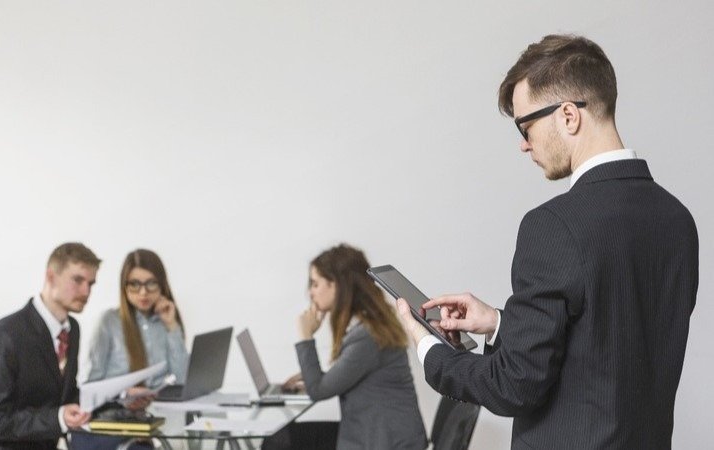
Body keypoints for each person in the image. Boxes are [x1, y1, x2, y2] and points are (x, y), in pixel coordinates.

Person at [396, 34, 699, 449]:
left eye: (526, 127)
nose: (524, 144)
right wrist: (501, 324)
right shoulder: (677, 218)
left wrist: (429, 349)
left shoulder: (553, 224)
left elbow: (513, 385)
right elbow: (604, 346)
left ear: (569, 116)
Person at [290, 244, 427, 450]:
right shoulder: (370, 326)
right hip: (378, 436)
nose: (311, 293)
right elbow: (342, 379)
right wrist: (314, 376)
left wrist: (305, 336)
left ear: (336, 285)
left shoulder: (367, 337)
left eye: (315, 284)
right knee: (286, 438)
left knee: (282, 441)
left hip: (384, 443)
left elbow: (318, 391)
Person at [0, 243, 101, 450]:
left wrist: (117, 399)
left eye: (91, 284)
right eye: (77, 280)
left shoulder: (72, 329)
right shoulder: (4, 336)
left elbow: (63, 394)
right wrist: (58, 418)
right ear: (51, 276)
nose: (86, 291)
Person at [73, 249, 188, 449]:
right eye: (134, 284)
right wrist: (123, 393)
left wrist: (172, 327)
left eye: (151, 283)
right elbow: (89, 386)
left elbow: (182, 380)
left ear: (162, 284)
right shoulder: (108, 322)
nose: (143, 292)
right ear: (124, 286)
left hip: (157, 420)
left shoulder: (165, 322)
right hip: (116, 422)